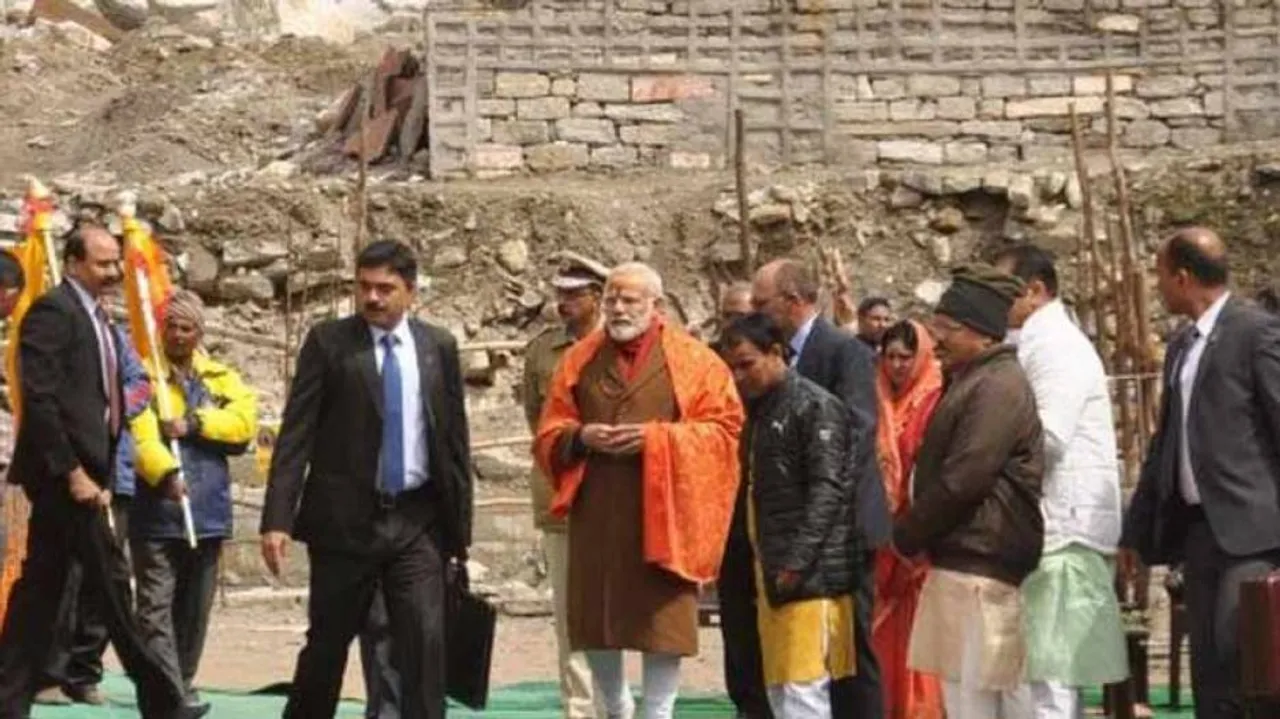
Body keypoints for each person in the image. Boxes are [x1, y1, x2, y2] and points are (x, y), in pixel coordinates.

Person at [0, 221, 207, 719]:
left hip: (94, 476)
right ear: (74, 264)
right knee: (114, 587)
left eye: (116, 262)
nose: (114, 271)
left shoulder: (102, 321)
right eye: (103, 263)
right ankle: (164, 701)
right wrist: (72, 472)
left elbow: (112, 399)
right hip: (67, 480)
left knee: (40, 592)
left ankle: (8, 700)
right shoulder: (54, 313)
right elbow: (42, 401)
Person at [260, 239, 473, 719]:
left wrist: (459, 534)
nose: (372, 298)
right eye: (364, 287)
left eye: (385, 288)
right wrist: (277, 519)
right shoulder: (329, 343)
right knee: (326, 645)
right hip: (344, 525)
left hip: (417, 522)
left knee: (425, 644)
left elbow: (453, 442)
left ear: (411, 291)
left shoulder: (437, 347)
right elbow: (296, 435)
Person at [534, 262, 743, 719]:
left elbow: (725, 430)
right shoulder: (580, 359)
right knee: (597, 619)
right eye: (612, 299)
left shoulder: (695, 361)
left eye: (630, 300)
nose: (618, 309)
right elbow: (549, 428)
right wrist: (580, 437)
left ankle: (658, 712)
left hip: (666, 512)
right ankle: (615, 706)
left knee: (662, 621)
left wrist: (658, 439)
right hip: (598, 511)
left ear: (657, 306)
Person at [1120, 227, 1280, 719]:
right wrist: (1135, 534)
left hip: (1251, 534)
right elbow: (1165, 446)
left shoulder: (1255, 333)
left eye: (1161, 275)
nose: (1158, 286)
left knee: (1244, 660)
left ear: (1183, 278)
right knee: (1209, 671)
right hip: (1199, 532)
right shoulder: (1181, 346)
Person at [893, 264, 1044, 719]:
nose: (936, 339)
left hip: (983, 566)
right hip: (964, 564)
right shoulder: (974, 380)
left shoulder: (997, 385)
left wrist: (906, 533)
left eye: (948, 328)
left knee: (977, 702)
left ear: (982, 334)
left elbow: (966, 478)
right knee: (964, 700)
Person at [994, 244, 1128, 718]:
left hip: (1060, 529)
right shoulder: (1032, 343)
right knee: (1033, 676)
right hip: (1041, 526)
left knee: (1049, 681)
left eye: (1005, 289)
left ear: (1035, 291)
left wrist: (984, 460)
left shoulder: (1056, 347)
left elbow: (1047, 440)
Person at [752, 257, 887, 719]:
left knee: (851, 650)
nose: (754, 313)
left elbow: (857, 432)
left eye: (761, 304)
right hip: (791, 527)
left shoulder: (844, 352)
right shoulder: (771, 357)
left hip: (842, 527)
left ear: (792, 301)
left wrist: (817, 509)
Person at [721, 312, 860, 719]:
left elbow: (828, 491)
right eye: (732, 368)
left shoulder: (815, 407)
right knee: (781, 690)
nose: (739, 377)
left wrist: (796, 563)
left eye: (747, 364)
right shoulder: (763, 411)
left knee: (803, 692)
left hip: (807, 577)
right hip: (775, 575)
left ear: (777, 353)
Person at [131, 289, 257, 707]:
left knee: (194, 609)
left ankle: (181, 682)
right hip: (156, 512)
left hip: (207, 511)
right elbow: (138, 433)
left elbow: (243, 423)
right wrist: (164, 472)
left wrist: (195, 424)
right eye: (172, 326)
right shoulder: (142, 377)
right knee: (154, 606)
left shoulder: (221, 379)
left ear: (199, 333)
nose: (179, 335)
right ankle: (166, 690)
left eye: (187, 328)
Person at [37, 322, 153, 707]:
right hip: (70, 474)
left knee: (106, 579)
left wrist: (108, 405)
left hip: (114, 476)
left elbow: (141, 386)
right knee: (65, 577)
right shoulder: (58, 329)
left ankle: (84, 672)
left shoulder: (115, 337)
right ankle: (48, 673)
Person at [521, 257, 609, 719]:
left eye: (574, 294)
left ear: (597, 297)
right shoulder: (542, 351)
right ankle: (579, 707)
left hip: (615, 496)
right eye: (560, 294)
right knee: (569, 610)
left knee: (613, 608)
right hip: (561, 496)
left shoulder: (619, 346)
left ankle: (615, 702)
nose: (564, 303)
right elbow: (536, 420)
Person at [871, 319, 945, 719]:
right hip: (882, 536)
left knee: (920, 633)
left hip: (918, 539)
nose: (897, 365)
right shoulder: (876, 399)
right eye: (891, 357)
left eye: (906, 357)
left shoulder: (935, 399)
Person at [711, 280, 772, 719]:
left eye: (744, 314)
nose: (735, 324)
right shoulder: (708, 366)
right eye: (728, 316)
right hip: (726, 512)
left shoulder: (773, 374)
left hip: (772, 515)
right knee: (735, 618)